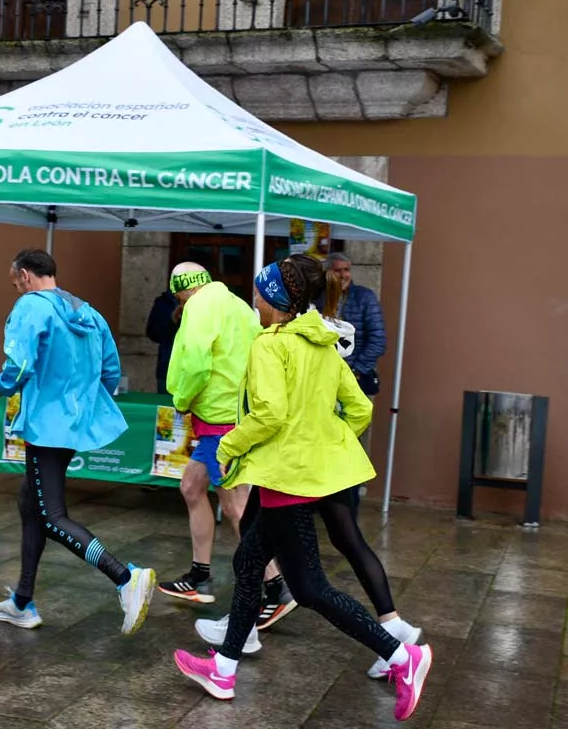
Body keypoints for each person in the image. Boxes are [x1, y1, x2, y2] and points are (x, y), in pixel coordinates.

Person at [173, 254, 432, 721]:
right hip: (301, 474)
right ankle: (225, 667)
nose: (253, 298)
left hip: (285, 477)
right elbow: (359, 410)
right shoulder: (323, 343)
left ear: (274, 299)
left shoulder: (270, 346)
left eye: (258, 292)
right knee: (249, 561)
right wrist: (322, 444)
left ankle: (400, 656)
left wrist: (229, 445)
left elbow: (269, 413)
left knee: (309, 587)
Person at [0, 249, 156, 636]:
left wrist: (2, 386)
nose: (17, 290)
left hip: (45, 426)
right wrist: (81, 405)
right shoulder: (88, 312)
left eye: (15, 284)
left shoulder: (31, 307)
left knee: (51, 514)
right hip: (71, 425)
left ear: (26, 276)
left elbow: (19, 364)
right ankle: (22, 601)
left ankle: (125, 576)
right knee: (31, 502)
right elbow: (111, 370)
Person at [159, 263, 293, 629]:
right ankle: (199, 575)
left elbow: (196, 364)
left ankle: (277, 586)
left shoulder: (199, 307)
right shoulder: (236, 305)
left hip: (220, 420)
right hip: (231, 416)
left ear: (181, 292)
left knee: (236, 506)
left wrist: (182, 399)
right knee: (192, 487)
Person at [321, 252, 385, 449]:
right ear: (327, 272)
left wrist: (355, 370)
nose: (343, 275)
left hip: (354, 379)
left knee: (352, 438)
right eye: (337, 270)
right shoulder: (319, 297)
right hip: (324, 378)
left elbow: (378, 339)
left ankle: (355, 480)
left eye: (347, 270)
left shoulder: (365, 297)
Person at [145, 289, 179, 394]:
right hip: (167, 367)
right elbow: (153, 333)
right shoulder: (163, 302)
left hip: (195, 369)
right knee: (166, 406)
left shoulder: (204, 303)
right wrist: (172, 321)